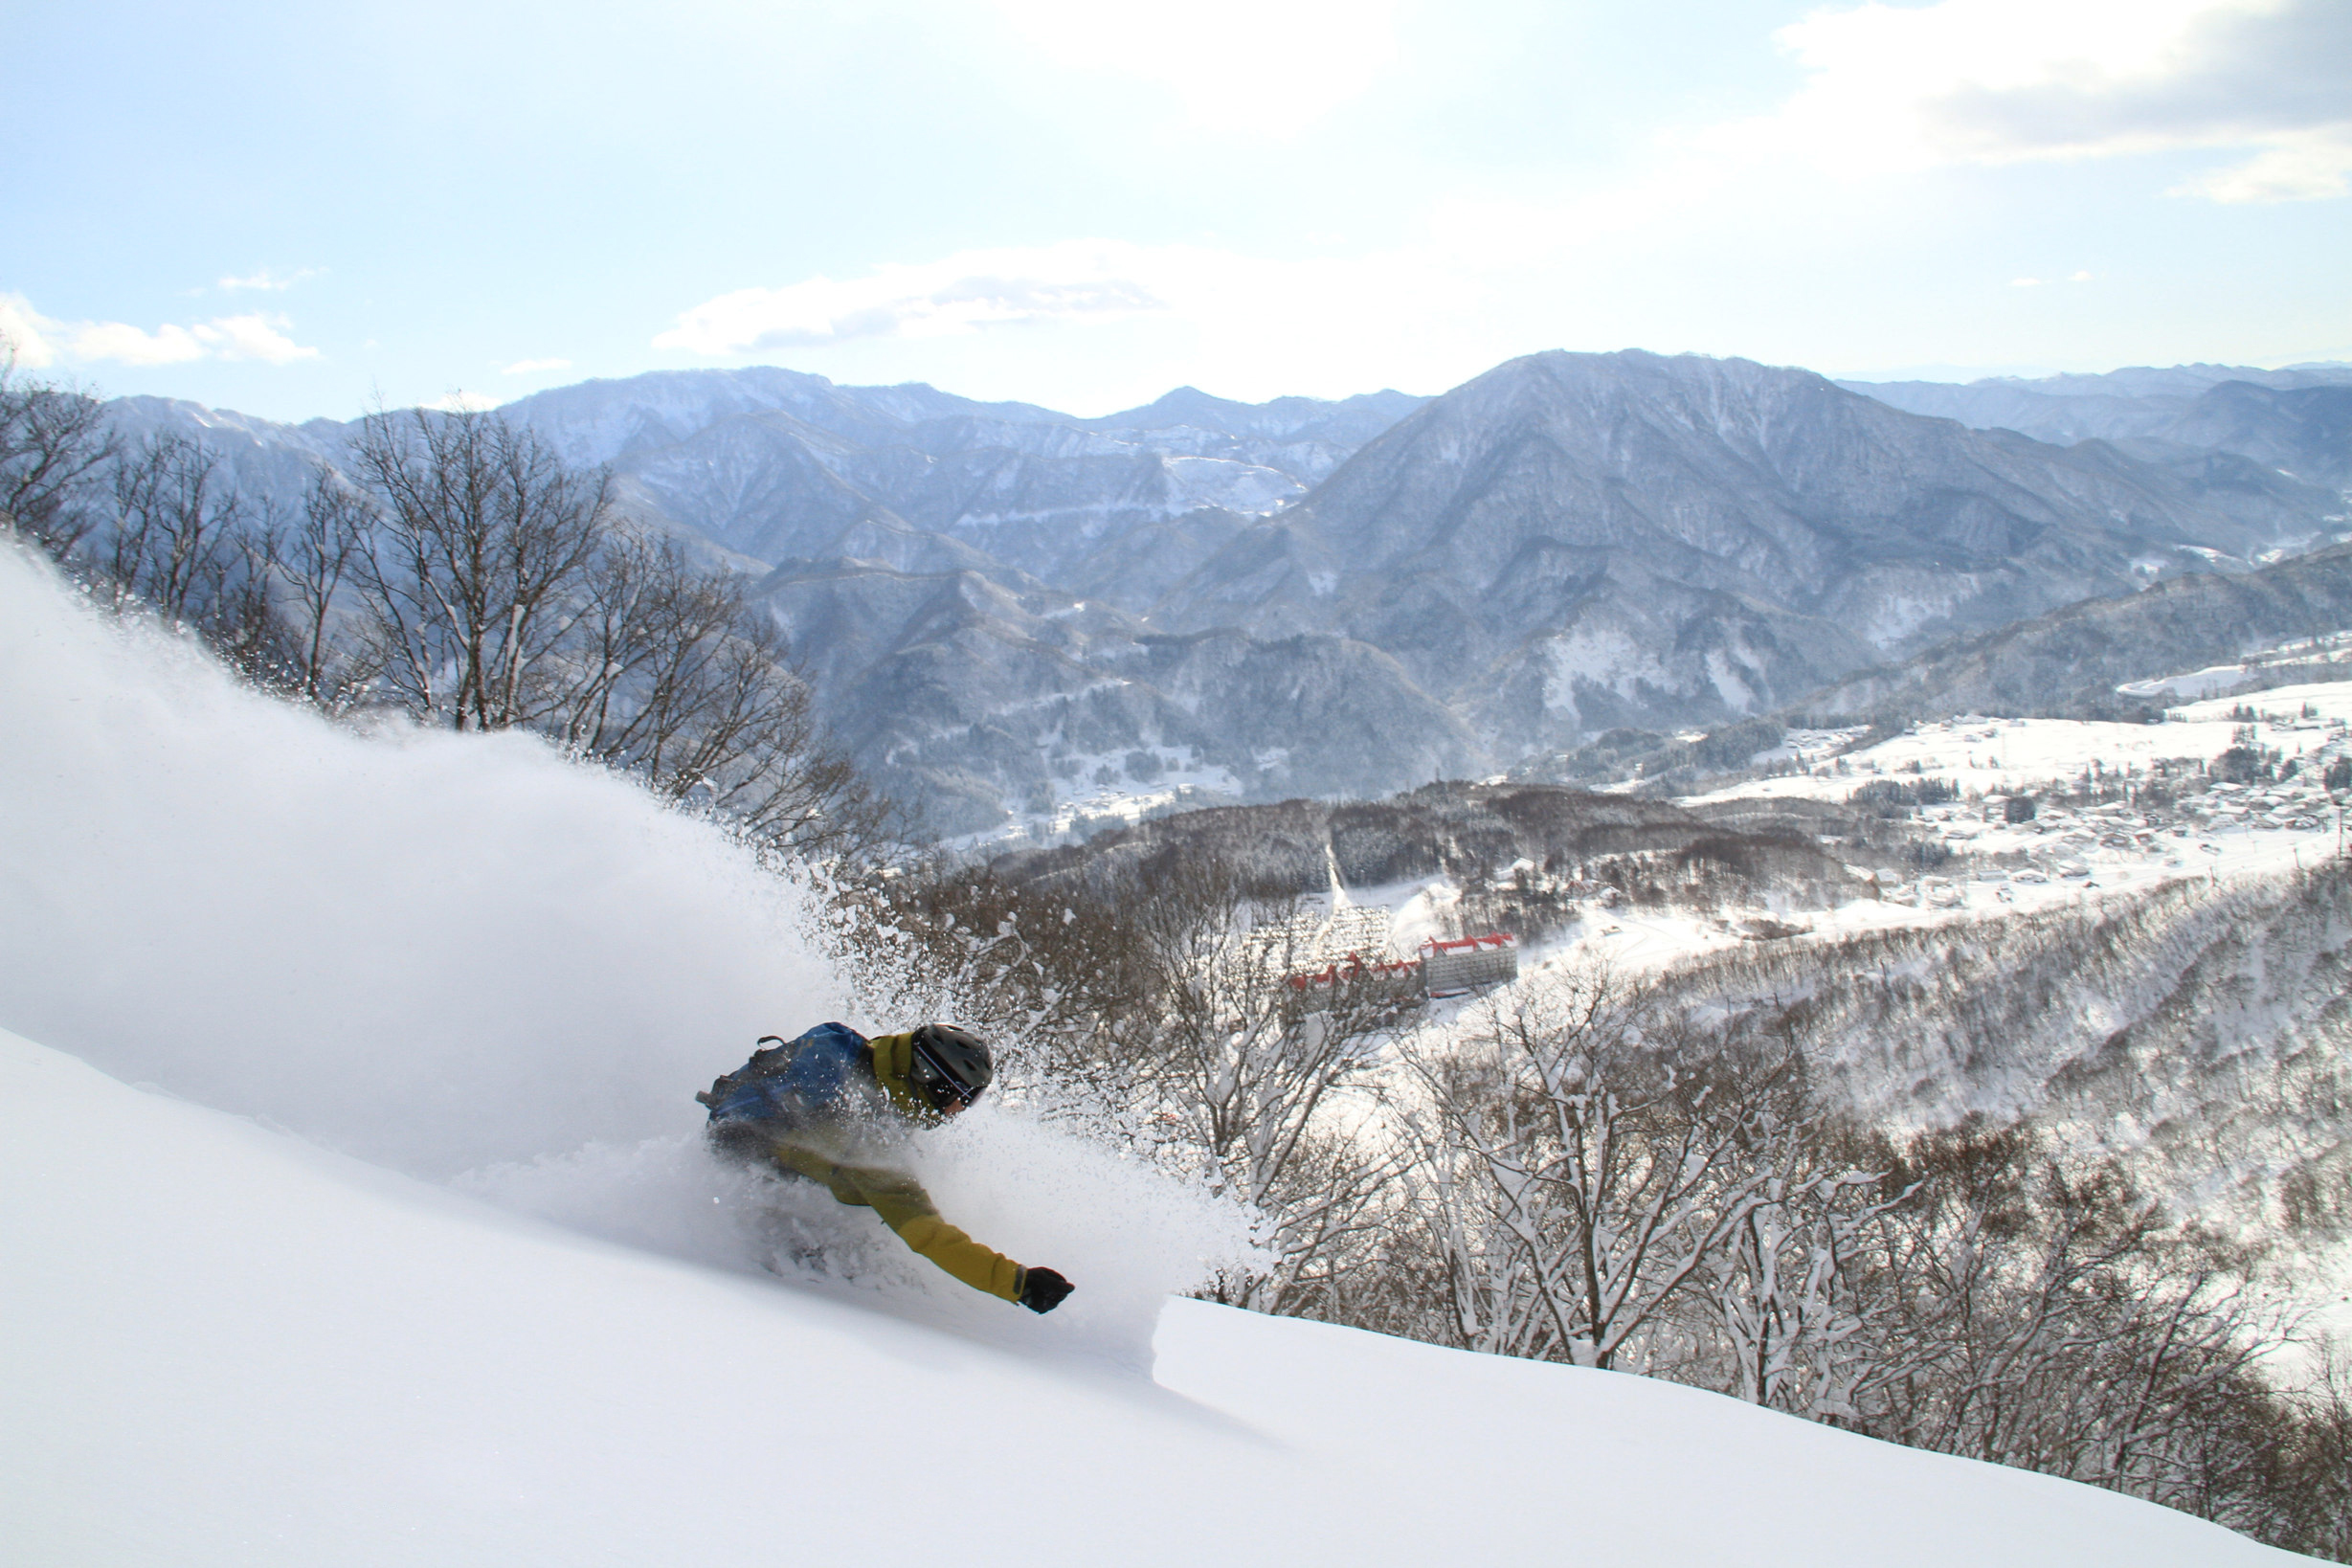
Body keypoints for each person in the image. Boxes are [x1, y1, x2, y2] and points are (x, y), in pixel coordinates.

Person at [698, 1021, 1075, 1314]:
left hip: (730, 1136)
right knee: (841, 1265)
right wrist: (1017, 1282)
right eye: (961, 1099)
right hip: (749, 1180)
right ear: (932, 1082)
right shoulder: (869, 1139)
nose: (956, 1113)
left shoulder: (852, 1053)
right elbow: (929, 1235)